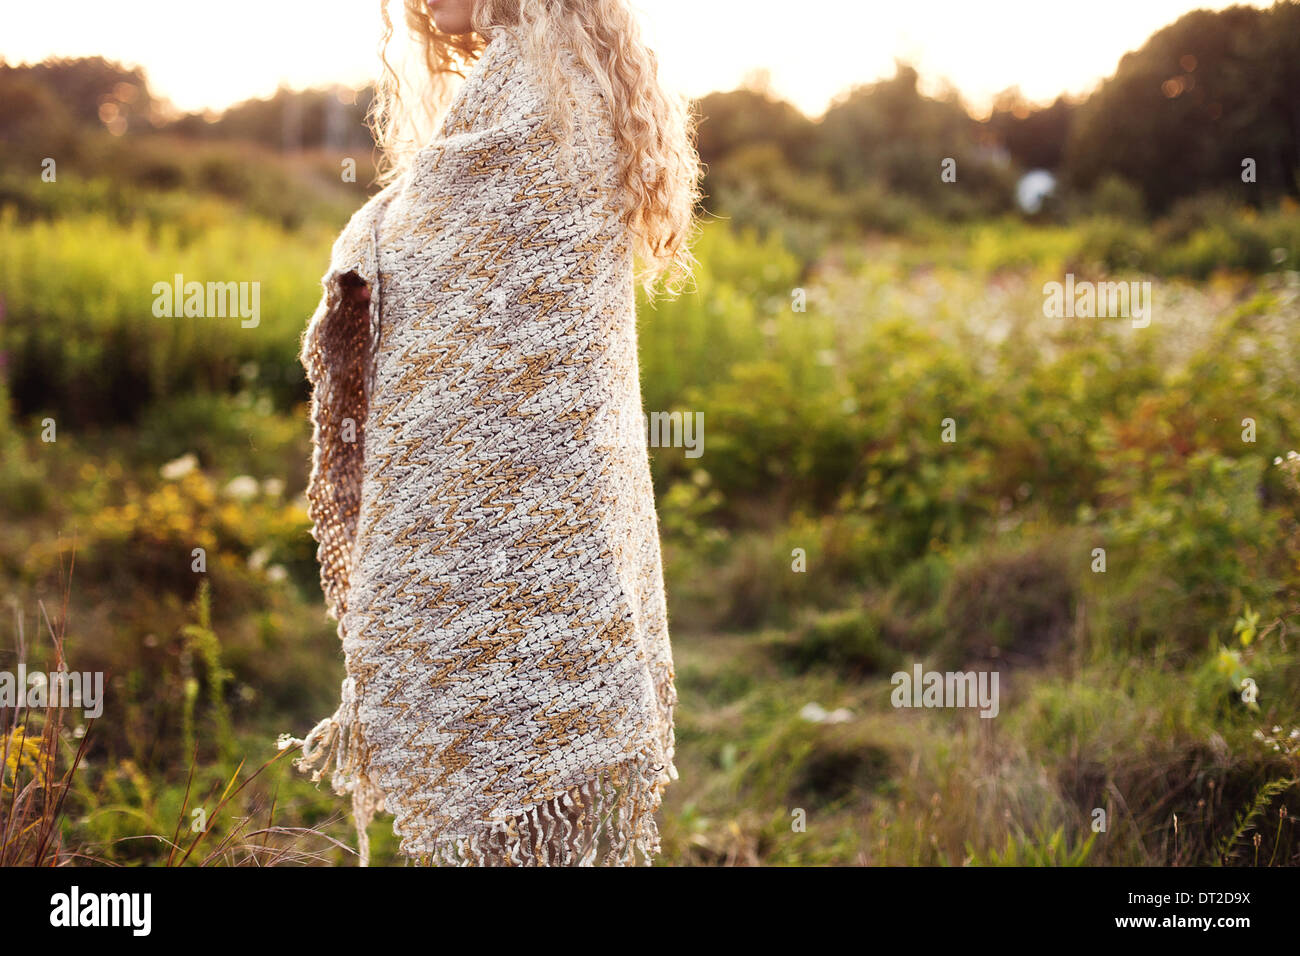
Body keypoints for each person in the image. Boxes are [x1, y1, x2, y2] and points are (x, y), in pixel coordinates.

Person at [278, 0, 702, 866]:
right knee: (537, 747)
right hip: (559, 486)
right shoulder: (582, 73)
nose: (425, 6)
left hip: (533, 477)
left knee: (526, 722)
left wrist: (367, 236)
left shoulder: (535, 82)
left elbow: (438, 249)